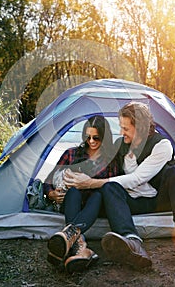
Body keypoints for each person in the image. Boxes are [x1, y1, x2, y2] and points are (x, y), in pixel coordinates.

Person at [63, 102, 175, 269]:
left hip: (157, 200)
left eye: (125, 128)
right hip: (129, 201)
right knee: (109, 187)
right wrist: (74, 182)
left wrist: (90, 183)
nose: (121, 132)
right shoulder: (120, 145)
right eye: (121, 127)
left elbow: (137, 178)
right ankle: (132, 242)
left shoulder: (162, 145)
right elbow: (102, 166)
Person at [44, 115, 118, 273]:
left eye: (96, 138)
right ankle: (81, 247)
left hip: (96, 205)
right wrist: (51, 194)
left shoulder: (110, 159)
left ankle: (72, 240)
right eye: (88, 137)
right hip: (72, 202)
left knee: (98, 194)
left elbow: (112, 187)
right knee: (74, 191)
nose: (91, 141)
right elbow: (48, 179)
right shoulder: (71, 154)